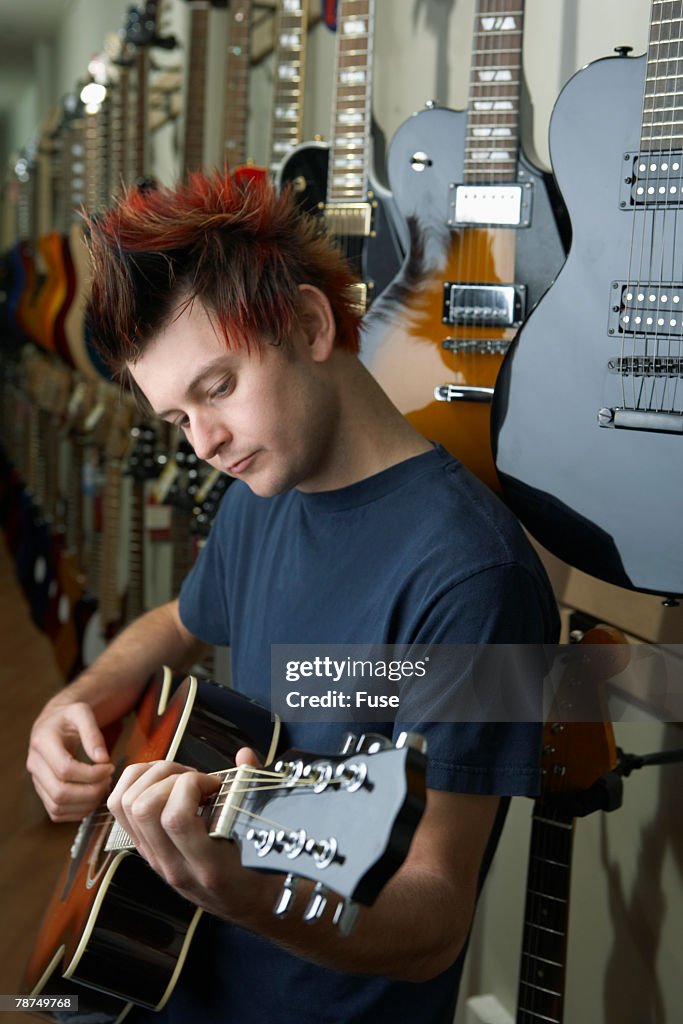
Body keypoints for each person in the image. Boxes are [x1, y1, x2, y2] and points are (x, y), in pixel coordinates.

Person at [26, 171, 559, 1024]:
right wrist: (79, 700)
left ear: (310, 325)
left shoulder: (475, 583)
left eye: (217, 388)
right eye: (176, 420)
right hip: (169, 966)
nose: (204, 442)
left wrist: (247, 893)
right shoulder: (259, 494)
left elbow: (434, 915)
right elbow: (181, 621)